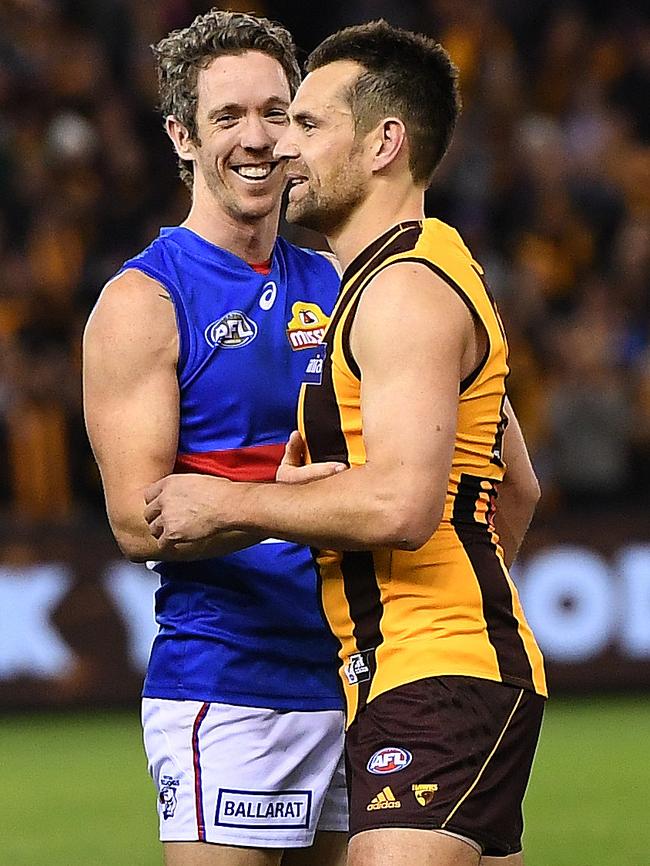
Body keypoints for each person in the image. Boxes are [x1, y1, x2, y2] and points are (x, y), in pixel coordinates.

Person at [143, 19, 548, 866]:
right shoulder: (393, 276)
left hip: (434, 672)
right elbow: (517, 490)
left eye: (308, 122)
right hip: (397, 673)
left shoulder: (402, 291)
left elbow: (403, 507)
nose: (286, 147)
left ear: (384, 144)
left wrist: (227, 500)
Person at [82, 9, 349, 866]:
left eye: (277, 113)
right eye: (228, 117)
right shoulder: (144, 303)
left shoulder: (342, 281)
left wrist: (261, 503)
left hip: (356, 677)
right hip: (229, 686)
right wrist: (313, 502)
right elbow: (137, 521)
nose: (257, 138)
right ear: (182, 137)